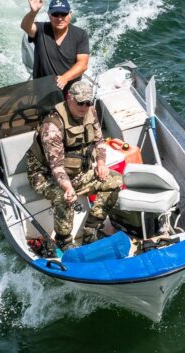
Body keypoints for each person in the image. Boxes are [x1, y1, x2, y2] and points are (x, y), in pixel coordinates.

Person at [24, 79, 122, 254]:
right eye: (80, 103)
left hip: (78, 171)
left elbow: (99, 140)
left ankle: (91, 230)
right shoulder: (52, 126)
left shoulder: (90, 112)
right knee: (64, 196)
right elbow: (56, 167)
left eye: (88, 103)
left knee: (114, 180)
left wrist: (100, 163)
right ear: (69, 98)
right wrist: (68, 187)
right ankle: (64, 239)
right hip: (45, 176)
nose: (84, 107)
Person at [21, 0, 90, 90]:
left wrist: (65, 78)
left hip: (71, 90)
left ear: (70, 14)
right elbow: (25, 26)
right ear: (49, 15)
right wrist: (33, 12)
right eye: (55, 14)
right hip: (43, 89)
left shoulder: (80, 34)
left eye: (63, 14)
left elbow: (82, 64)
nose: (60, 18)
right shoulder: (41, 29)